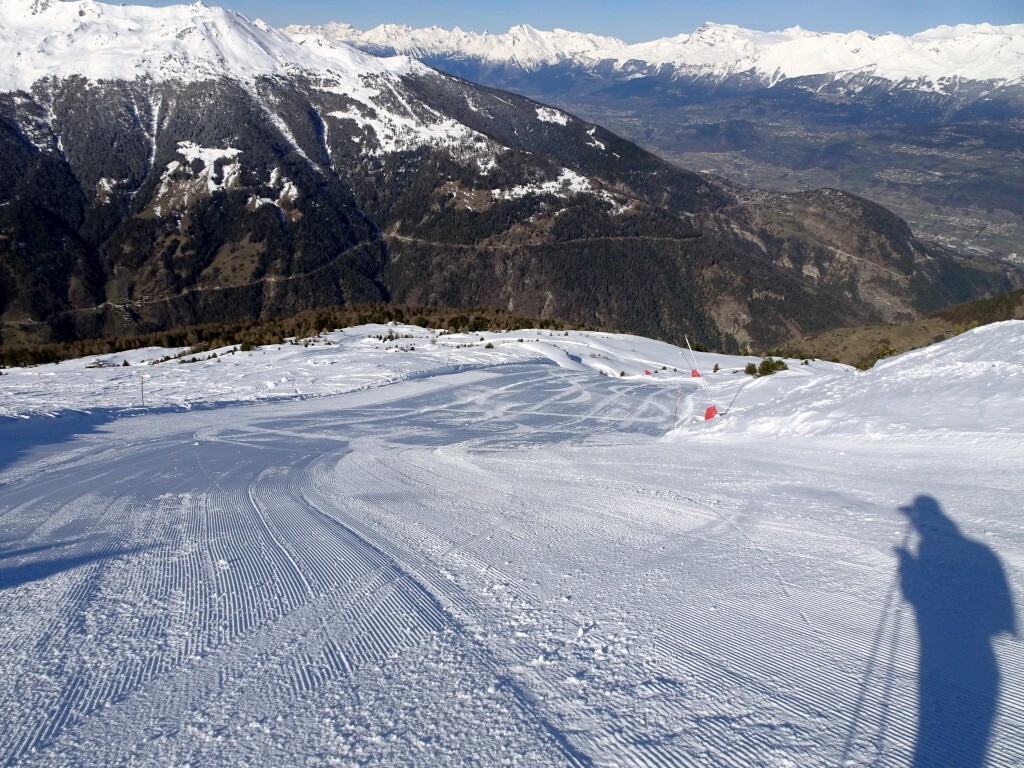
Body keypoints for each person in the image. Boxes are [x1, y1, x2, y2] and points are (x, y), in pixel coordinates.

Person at [895, 495, 1016, 768]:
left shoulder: (932, 548)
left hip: (947, 644)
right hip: (976, 649)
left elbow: (916, 594)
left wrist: (906, 567)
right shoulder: (979, 551)